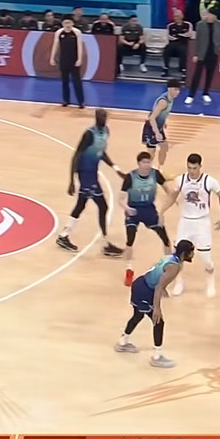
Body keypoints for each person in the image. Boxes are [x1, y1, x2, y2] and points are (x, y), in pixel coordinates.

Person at [115, 240, 195, 369]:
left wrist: (162, 288)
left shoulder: (170, 258)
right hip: (146, 290)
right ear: (184, 253)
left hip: (140, 283)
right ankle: (157, 357)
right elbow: (158, 287)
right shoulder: (175, 267)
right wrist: (157, 308)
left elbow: (157, 272)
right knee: (158, 321)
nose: (193, 254)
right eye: (191, 252)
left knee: (138, 315)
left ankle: (123, 342)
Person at [57, 108, 125, 256]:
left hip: (92, 175)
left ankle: (64, 235)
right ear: (96, 117)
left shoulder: (106, 132)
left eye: (105, 116)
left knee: (82, 205)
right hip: (85, 174)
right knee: (102, 206)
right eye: (101, 116)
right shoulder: (89, 134)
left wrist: (115, 168)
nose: (103, 118)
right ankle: (106, 244)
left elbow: (101, 152)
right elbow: (76, 155)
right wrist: (72, 180)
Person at [160, 153, 220, 297]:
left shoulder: (209, 181)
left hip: (202, 222)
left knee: (206, 257)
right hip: (185, 221)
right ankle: (179, 282)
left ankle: (210, 280)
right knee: (178, 255)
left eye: (194, 168)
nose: (192, 171)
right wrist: (162, 212)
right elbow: (172, 197)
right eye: (189, 168)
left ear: (200, 166)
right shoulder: (181, 180)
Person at [121, 151, 174, 287]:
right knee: (130, 239)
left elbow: (169, 192)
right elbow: (120, 198)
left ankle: (168, 266)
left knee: (164, 237)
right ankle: (129, 269)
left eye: (148, 162)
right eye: (144, 162)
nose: (147, 165)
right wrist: (126, 208)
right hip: (134, 210)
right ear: (139, 163)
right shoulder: (130, 177)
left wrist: (163, 211)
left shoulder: (155, 174)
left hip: (149, 209)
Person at [185, 7, 220, 105]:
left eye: (212, 15)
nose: (210, 17)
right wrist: (196, 54)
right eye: (209, 14)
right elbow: (197, 40)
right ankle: (191, 95)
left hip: (213, 53)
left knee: (209, 75)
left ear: (215, 16)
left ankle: (206, 93)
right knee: (197, 75)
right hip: (202, 53)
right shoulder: (200, 24)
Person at [143, 79, 182, 167]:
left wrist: (164, 122)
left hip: (158, 126)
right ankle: (148, 168)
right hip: (152, 127)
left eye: (178, 89)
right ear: (169, 89)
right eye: (175, 89)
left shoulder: (171, 99)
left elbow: (164, 113)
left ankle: (158, 167)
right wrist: (157, 132)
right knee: (151, 152)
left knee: (164, 146)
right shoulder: (163, 102)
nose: (178, 92)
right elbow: (152, 118)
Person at [50, 15, 85, 108]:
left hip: (74, 60)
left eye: (69, 23)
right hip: (63, 60)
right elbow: (55, 46)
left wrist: (79, 59)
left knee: (77, 81)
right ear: (62, 24)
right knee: (64, 81)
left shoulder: (77, 32)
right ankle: (66, 100)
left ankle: (81, 101)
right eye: (65, 23)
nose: (67, 25)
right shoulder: (59, 33)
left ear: (73, 23)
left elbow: (80, 47)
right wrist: (52, 58)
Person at [162, 9, 193, 78]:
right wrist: (181, 35)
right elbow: (169, 36)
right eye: (175, 16)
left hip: (183, 43)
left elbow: (189, 34)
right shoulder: (170, 25)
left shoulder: (188, 24)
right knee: (167, 49)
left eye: (178, 16)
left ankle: (183, 69)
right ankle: (165, 68)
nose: (176, 18)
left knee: (183, 50)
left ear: (182, 16)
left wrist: (178, 35)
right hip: (173, 43)